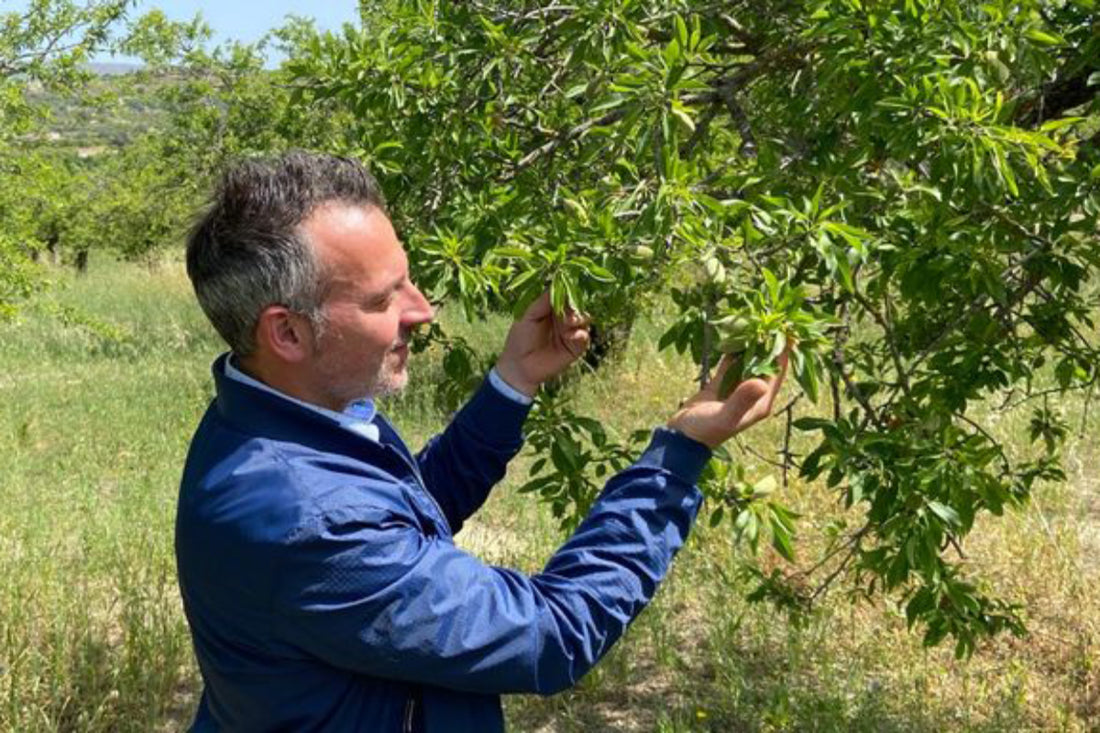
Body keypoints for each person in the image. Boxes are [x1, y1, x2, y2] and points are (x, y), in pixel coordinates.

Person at [177, 151, 787, 732]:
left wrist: (512, 383)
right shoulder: (304, 518)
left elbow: (406, 516)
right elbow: (552, 635)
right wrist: (677, 455)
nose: (422, 310)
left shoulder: (283, 411)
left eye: (408, 279)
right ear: (286, 333)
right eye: (383, 298)